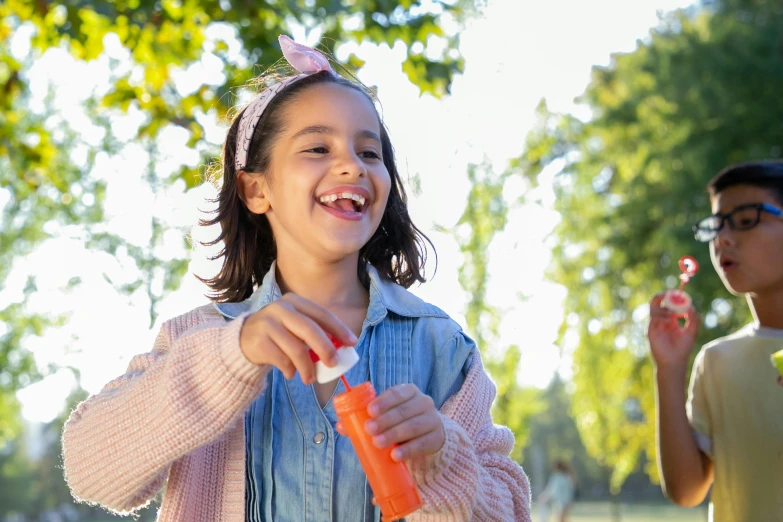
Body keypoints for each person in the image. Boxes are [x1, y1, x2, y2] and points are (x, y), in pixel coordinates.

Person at [61, 35, 532, 521]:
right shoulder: (198, 340)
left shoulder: (440, 346)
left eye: (370, 153)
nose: (352, 163)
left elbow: (512, 511)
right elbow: (89, 471)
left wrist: (443, 460)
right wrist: (233, 356)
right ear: (256, 189)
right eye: (317, 147)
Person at [647, 161, 783, 521]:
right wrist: (670, 368)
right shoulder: (718, 361)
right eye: (716, 225)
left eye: (745, 219)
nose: (722, 238)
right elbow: (686, 490)